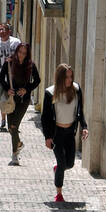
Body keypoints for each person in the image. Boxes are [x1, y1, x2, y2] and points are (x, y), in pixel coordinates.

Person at [41, 63, 88, 203]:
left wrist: (84, 127)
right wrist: (47, 137)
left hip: (70, 132)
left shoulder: (76, 89)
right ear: (60, 78)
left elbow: (80, 112)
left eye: (71, 77)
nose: (69, 80)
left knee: (70, 163)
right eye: (66, 77)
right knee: (62, 163)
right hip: (57, 133)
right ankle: (59, 194)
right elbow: (46, 118)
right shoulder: (50, 93)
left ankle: (57, 170)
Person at [0, 42, 40, 164]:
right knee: (11, 128)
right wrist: (8, 89)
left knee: (14, 126)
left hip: (23, 100)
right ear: (16, 51)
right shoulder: (9, 62)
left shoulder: (30, 65)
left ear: (27, 54)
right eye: (20, 52)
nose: (21, 55)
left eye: (24, 53)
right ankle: (19, 145)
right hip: (11, 99)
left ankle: (14, 155)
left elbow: (37, 80)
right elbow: (1, 78)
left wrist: (27, 89)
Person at [0, 24, 21, 132]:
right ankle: (3, 119)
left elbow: (21, 56)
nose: (1, 31)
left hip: (15, 76)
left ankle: (12, 121)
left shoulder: (16, 42)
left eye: (3, 29)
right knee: (2, 98)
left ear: (9, 31)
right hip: (1, 76)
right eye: (0, 30)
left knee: (13, 98)